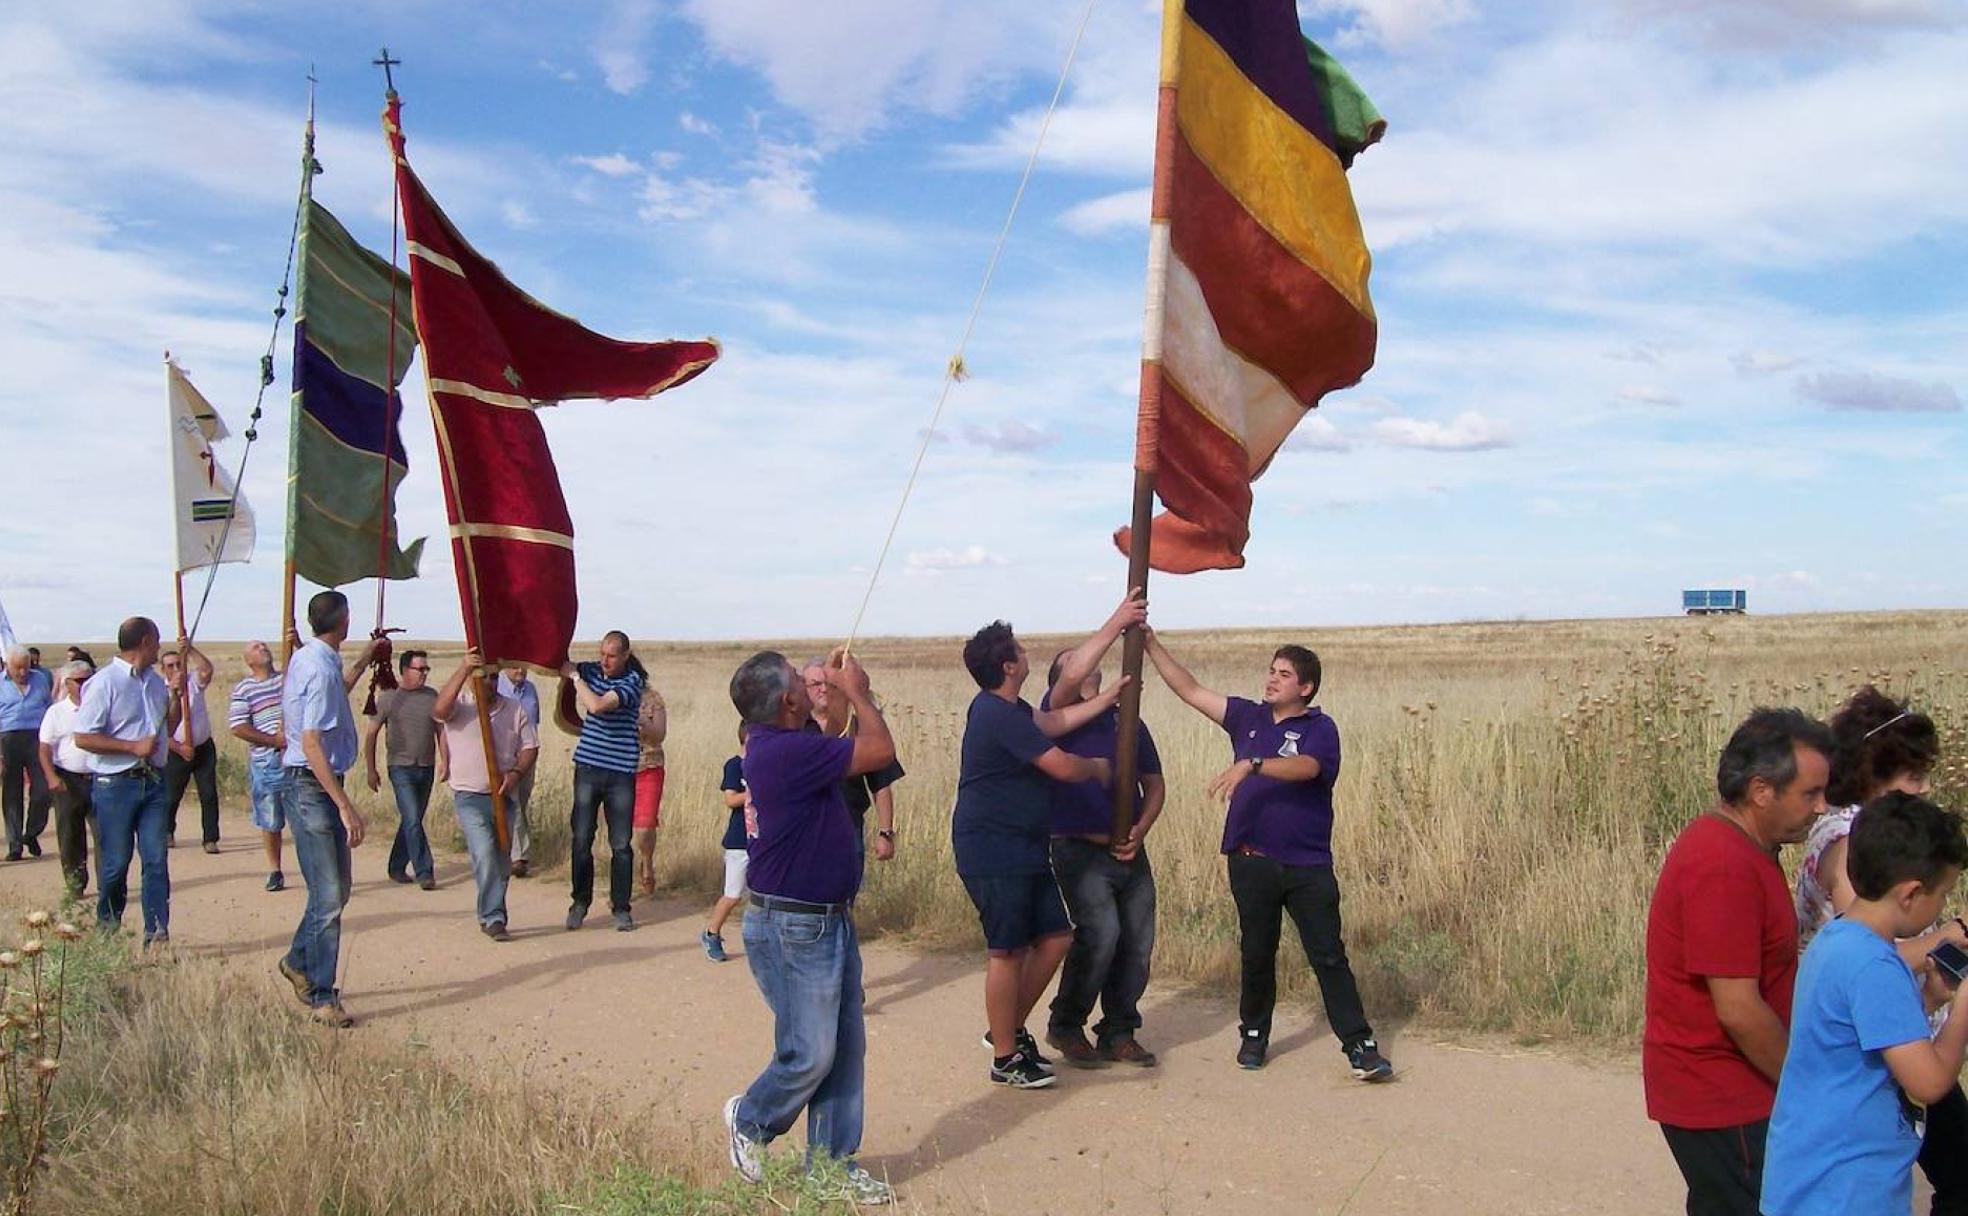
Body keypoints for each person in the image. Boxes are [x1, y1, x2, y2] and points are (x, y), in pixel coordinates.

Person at [1143, 628, 1392, 1080]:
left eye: (1284, 674)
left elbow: (1308, 767)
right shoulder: (1247, 717)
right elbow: (1190, 689)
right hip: (1251, 858)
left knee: (1328, 955)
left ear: (1306, 687)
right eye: (1271, 671)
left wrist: (1253, 764)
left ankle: (1360, 1045)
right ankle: (1254, 1035)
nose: (1272, 679)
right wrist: (1149, 643)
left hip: (1306, 863)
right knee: (1257, 951)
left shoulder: (1319, 728)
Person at [722, 649, 897, 1206]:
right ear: (787, 701)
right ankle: (750, 1118)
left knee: (845, 1049)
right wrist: (861, 692)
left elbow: (847, 742)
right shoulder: (783, 751)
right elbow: (880, 751)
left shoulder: (787, 745)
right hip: (792, 926)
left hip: (827, 920)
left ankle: (831, 1166)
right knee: (811, 1051)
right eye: (800, 679)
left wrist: (842, 697)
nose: (807, 680)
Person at [1643, 707, 1834, 1215]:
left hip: (1731, 1092)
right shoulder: (1723, 865)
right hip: (1725, 1096)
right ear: (1761, 791)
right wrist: (1807, 1086)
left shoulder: (1750, 848)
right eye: (1810, 794)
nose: (1821, 808)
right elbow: (1738, 1009)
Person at [1792, 686, 1966, 1212]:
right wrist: (1948, 938)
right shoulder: (1849, 844)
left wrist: (1931, 999)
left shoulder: (1874, 836)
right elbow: (1872, 941)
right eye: (1912, 776)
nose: (1923, 788)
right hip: (1887, 1044)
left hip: (1896, 1026)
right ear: (1874, 776)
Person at [1763, 792, 1968, 1216]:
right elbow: (1928, 1082)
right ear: (1911, 894)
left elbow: (1866, 1032)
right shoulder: (1875, 965)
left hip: (1810, 1180)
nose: (1943, 906)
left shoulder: (1838, 940)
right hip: (1845, 1191)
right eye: (1943, 893)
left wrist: (1928, 999)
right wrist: (1965, 1005)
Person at [955, 619, 1123, 1090]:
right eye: (1021, 650)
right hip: (992, 847)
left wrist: (1107, 700)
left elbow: (1053, 722)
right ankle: (1006, 1057)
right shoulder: (995, 714)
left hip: (1025, 846)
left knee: (1055, 938)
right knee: (1006, 950)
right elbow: (1062, 765)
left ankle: (1005, 1030)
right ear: (1009, 666)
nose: (1028, 654)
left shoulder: (1010, 708)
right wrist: (1097, 767)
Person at [1040, 591, 1164, 1068]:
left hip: (1129, 851)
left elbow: (1154, 783)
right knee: (1101, 933)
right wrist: (1118, 620)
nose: (1085, 660)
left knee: (1137, 940)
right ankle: (1066, 1025)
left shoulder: (1126, 721)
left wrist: (1142, 828)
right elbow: (1072, 675)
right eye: (1072, 659)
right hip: (1079, 849)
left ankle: (1118, 1030)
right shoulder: (1058, 719)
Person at [278, 591, 379, 1028]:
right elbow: (312, 741)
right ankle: (321, 995)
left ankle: (298, 961)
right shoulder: (317, 668)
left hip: (315, 783)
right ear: (344, 620)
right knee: (328, 896)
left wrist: (367, 657)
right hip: (312, 787)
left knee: (336, 890)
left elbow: (339, 690)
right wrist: (345, 805)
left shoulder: (314, 659)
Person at [71, 617, 180, 945]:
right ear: (145, 642)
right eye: (157, 641)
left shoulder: (156, 682)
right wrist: (132, 746)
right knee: (116, 863)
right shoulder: (105, 683)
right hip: (115, 785)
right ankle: (107, 929)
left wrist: (175, 696)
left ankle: (157, 933)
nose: (160, 648)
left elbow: (168, 728)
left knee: (156, 858)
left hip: (154, 782)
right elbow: (83, 737)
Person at [433, 650, 538, 942]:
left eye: (493, 677)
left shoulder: (515, 709)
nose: (488, 683)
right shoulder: (461, 706)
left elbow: (530, 747)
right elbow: (439, 711)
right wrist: (464, 668)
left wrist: (516, 773)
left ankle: (491, 910)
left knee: (502, 859)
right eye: (483, 677)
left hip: (502, 796)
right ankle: (494, 917)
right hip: (469, 796)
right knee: (484, 853)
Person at [559, 630, 646, 931]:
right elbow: (556, 662)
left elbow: (596, 706)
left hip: (620, 772)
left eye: (611, 656)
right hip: (588, 767)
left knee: (620, 843)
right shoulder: (591, 670)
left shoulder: (632, 682)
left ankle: (621, 907)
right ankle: (579, 902)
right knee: (581, 838)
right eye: (602, 654)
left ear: (625, 655)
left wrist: (574, 679)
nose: (604, 661)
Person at [802, 660, 904, 864]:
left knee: (846, 893)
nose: (823, 690)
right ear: (803, 690)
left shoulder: (859, 728)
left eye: (829, 684)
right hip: (805, 831)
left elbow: (881, 783)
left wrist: (885, 833)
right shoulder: (796, 730)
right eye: (815, 684)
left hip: (848, 827)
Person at [363, 649, 439, 890]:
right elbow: (371, 734)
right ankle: (425, 871)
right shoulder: (389, 698)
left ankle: (396, 865)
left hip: (426, 766)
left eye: (427, 669)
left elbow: (440, 731)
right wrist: (371, 770)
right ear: (405, 670)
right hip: (400, 767)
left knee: (412, 818)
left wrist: (446, 760)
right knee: (413, 819)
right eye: (420, 669)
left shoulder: (431, 696)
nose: (424, 674)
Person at [228, 641, 292, 893]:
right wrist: (273, 740)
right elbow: (238, 726)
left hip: (295, 757)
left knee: (305, 816)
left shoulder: (287, 678)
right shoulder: (245, 688)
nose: (262, 648)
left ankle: (314, 869)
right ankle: (275, 869)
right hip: (268, 760)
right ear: (248, 660)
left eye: (264, 645)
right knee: (271, 818)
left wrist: (295, 641)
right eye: (256, 647)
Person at [36, 659, 97, 899]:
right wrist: (50, 776)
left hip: (100, 778)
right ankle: (75, 883)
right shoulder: (56, 712)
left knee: (105, 834)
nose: (86, 685)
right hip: (67, 779)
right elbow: (44, 748)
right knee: (71, 834)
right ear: (67, 683)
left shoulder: (102, 707)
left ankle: (108, 885)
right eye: (80, 681)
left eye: (90, 680)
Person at [159, 640, 221, 853]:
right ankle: (167, 831)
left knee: (209, 794)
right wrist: (178, 747)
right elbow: (159, 730)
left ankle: (210, 838)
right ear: (163, 669)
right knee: (171, 794)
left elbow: (207, 669)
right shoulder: (159, 692)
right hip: (176, 751)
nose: (176, 669)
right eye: (170, 666)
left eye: (179, 664)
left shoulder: (194, 682)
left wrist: (190, 649)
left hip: (203, 747)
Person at [701, 724, 751, 962]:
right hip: (739, 841)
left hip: (763, 838)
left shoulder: (768, 764)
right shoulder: (735, 765)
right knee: (733, 894)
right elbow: (730, 799)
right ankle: (712, 932)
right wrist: (757, 793)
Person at [2, 643, 55, 861]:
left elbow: (50, 707)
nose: (23, 672)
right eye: (17, 668)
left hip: (37, 738)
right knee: (12, 793)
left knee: (43, 790)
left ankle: (31, 833)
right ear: (8, 666)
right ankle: (15, 845)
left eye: (26, 667)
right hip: (8, 739)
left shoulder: (41, 679)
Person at [495, 665, 541, 877]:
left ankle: (504, 848)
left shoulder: (531, 690)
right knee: (511, 801)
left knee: (520, 802)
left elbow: (534, 726)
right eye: (515, 666)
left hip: (528, 755)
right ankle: (518, 857)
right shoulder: (495, 686)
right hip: (505, 755)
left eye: (524, 666)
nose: (521, 670)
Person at [633, 664, 668, 896]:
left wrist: (642, 720)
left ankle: (647, 862)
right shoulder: (609, 694)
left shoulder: (653, 699)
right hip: (620, 768)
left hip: (649, 766)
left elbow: (660, 734)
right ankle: (623, 881)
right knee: (621, 829)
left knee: (645, 826)